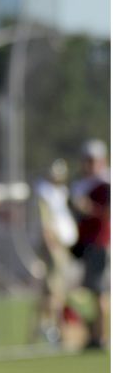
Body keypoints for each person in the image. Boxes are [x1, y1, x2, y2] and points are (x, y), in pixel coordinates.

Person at [32, 159, 77, 345]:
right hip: (53, 246)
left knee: (59, 289)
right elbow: (45, 224)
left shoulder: (60, 192)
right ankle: (49, 326)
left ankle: (52, 326)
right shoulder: (44, 192)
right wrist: (51, 243)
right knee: (53, 289)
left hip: (63, 245)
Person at [71, 139, 110, 349]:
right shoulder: (83, 183)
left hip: (99, 243)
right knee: (86, 293)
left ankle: (101, 337)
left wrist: (89, 208)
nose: (89, 164)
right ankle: (93, 334)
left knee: (98, 292)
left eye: (93, 160)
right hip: (83, 245)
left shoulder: (105, 184)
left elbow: (105, 213)